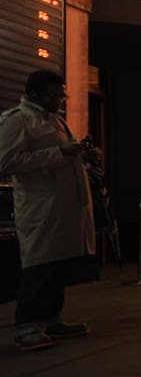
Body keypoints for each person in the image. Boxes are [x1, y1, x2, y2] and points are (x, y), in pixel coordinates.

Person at [0, 70, 94, 351]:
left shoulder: (54, 119)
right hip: (40, 206)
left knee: (58, 264)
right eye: (53, 95)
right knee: (39, 265)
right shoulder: (17, 121)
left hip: (64, 205)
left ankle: (52, 319)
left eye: (61, 94)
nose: (59, 100)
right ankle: (26, 325)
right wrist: (60, 153)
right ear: (33, 94)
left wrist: (81, 153)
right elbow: (6, 161)